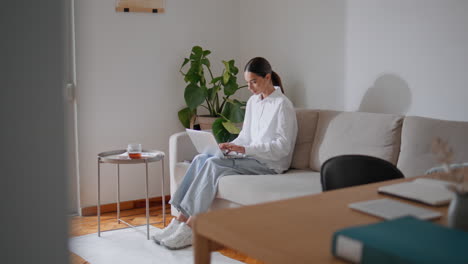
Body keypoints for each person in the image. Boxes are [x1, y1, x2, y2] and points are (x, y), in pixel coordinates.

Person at [153, 57, 298, 250]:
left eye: (254, 81)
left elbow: (282, 147)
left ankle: (191, 229)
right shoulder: (254, 102)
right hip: (249, 156)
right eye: (247, 83)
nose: (250, 87)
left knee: (213, 165)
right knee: (200, 158)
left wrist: (245, 150)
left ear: (268, 77)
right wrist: (231, 145)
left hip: (269, 164)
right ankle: (178, 222)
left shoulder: (283, 105)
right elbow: (246, 136)